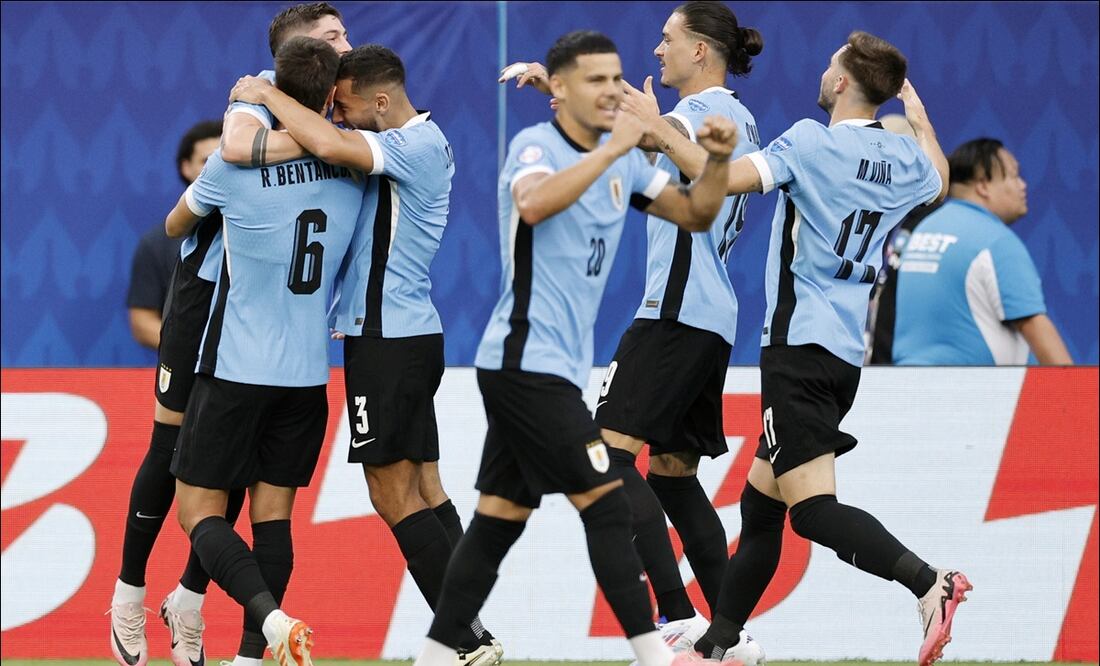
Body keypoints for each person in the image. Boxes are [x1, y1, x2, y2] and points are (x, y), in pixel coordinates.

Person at [412, 30, 739, 666]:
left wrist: (718, 161)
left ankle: (433, 654)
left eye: (615, 79)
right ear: (558, 90)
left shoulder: (621, 161)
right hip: (521, 363)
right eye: (596, 80)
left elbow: (697, 213)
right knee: (607, 503)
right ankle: (656, 649)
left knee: (497, 522)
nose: (613, 90)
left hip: (551, 369)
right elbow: (532, 204)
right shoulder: (538, 145)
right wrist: (615, 147)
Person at [679, 32, 972, 666]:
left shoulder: (809, 142)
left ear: (841, 84)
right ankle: (716, 646)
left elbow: (725, 181)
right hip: (841, 356)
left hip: (798, 348)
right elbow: (939, 183)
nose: (822, 71)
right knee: (761, 509)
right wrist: (920, 124)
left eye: (829, 65)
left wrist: (655, 132)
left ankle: (930, 583)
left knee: (811, 512)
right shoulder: (900, 158)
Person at [503, 3, 765, 659]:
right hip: (710, 315)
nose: (657, 50)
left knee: (609, 460)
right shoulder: (740, 118)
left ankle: (676, 618)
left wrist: (558, 85)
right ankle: (732, 637)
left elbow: (641, 132)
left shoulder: (698, 117)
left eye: (668, 39)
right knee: (674, 478)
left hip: (674, 313)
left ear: (701, 50)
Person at [227, 44, 503, 664]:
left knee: (390, 493)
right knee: (426, 488)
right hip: (404, 334)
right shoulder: (418, 141)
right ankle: (472, 631)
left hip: (386, 338)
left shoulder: (416, 146)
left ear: (382, 100)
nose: (340, 117)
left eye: (346, 106)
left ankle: (462, 639)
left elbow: (327, 146)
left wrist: (266, 94)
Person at [108, 6, 355, 666]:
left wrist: (321, 136)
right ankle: (128, 590)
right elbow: (237, 149)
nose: (346, 46)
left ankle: (190, 598)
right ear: (295, 55)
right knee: (172, 449)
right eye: (333, 38)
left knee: (237, 475)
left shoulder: (339, 131)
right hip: (204, 303)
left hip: (261, 330)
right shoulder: (252, 107)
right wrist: (313, 136)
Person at [892, 138, 1072, 365]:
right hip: (974, 393)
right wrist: (1078, 396)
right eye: (1014, 175)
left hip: (904, 386)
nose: (1023, 185)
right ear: (983, 185)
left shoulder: (922, 231)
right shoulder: (996, 241)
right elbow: (1034, 324)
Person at [126, 120, 221, 351]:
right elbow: (142, 321)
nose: (220, 170)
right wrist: (192, 354)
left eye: (225, 158)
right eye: (208, 161)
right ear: (186, 167)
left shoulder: (259, 229)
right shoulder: (156, 244)